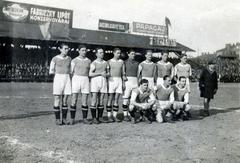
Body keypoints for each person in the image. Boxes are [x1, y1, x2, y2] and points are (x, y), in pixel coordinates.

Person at [49, 43, 71, 125]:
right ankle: (57, 119)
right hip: (58, 78)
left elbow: (71, 70)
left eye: (67, 48)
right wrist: (58, 73)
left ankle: (64, 119)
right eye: (65, 48)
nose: (66, 50)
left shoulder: (69, 59)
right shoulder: (55, 58)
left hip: (67, 78)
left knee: (65, 99)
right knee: (57, 98)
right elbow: (51, 71)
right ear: (60, 49)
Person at [70, 45, 91, 125]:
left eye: (85, 50)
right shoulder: (74, 60)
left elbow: (90, 72)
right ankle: (72, 119)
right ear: (78, 51)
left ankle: (85, 119)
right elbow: (71, 72)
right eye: (82, 50)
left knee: (84, 100)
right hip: (76, 79)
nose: (84, 52)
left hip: (85, 79)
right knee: (74, 99)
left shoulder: (88, 61)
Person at [89, 48, 110, 124]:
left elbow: (108, 73)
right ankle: (94, 118)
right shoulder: (94, 63)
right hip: (95, 81)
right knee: (94, 99)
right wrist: (100, 73)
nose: (102, 54)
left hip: (103, 81)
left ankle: (100, 117)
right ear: (96, 54)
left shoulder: (106, 63)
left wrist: (106, 75)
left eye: (103, 52)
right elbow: (90, 74)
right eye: (100, 53)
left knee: (101, 99)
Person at [106, 48, 126, 122]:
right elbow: (107, 73)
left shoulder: (122, 62)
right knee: (110, 98)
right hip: (111, 80)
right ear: (114, 53)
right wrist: (107, 82)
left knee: (116, 99)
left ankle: (114, 116)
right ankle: (109, 116)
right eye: (117, 53)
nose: (119, 54)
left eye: (120, 53)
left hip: (119, 80)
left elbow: (123, 73)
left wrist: (123, 83)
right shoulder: (109, 61)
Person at [122, 50, 139, 121]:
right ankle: (125, 115)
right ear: (128, 54)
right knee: (126, 98)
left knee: (133, 99)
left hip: (135, 81)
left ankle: (131, 114)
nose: (133, 55)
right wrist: (123, 83)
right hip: (127, 81)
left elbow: (138, 74)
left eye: (134, 54)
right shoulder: (124, 62)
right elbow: (123, 74)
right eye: (132, 54)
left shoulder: (137, 63)